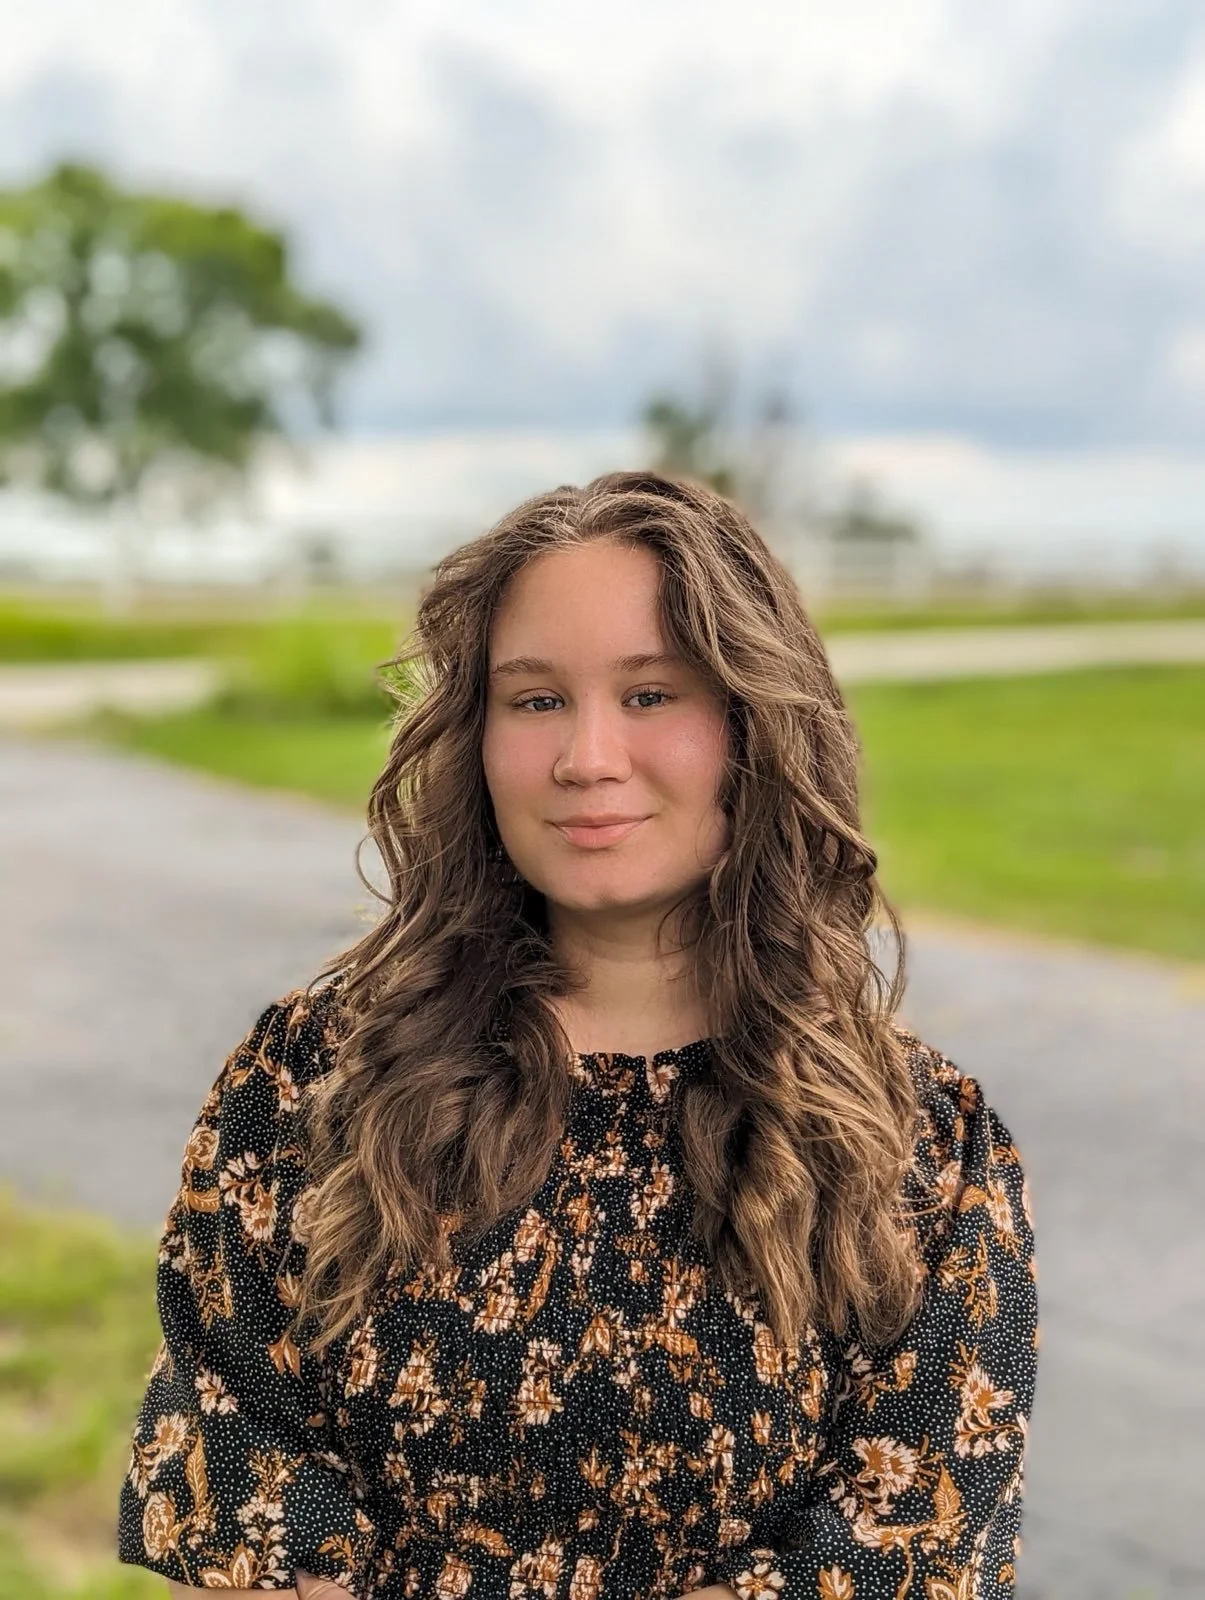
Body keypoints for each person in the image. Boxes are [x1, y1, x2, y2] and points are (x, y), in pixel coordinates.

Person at [116, 471, 1037, 1600]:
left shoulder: (920, 1147)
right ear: (475, 732)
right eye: (536, 698)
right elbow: (238, 1466)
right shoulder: (309, 1081)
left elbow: (906, 1547)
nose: (585, 757)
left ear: (756, 724)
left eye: (651, 694)